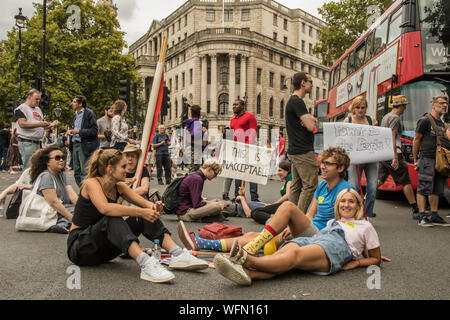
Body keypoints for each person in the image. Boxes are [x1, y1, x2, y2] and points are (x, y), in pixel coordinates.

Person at [66, 149, 208, 283]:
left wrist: (154, 207)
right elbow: (105, 208)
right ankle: (146, 263)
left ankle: (177, 254)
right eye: (123, 166)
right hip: (80, 248)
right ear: (110, 168)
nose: (127, 170)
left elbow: (145, 204)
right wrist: (141, 211)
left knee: (142, 217)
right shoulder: (91, 183)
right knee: (111, 218)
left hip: (104, 251)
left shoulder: (119, 186)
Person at [178, 147, 356, 253]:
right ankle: (203, 243)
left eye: (328, 164)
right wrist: (292, 227)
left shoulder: (347, 191)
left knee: (287, 207)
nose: (322, 167)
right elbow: (309, 215)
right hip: (309, 228)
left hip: (322, 236)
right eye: (322, 163)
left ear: (340, 168)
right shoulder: (322, 186)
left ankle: (252, 248)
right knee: (253, 235)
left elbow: (349, 227)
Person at [213, 188, 384, 285]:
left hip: (337, 245)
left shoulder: (365, 226)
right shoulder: (333, 221)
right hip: (317, 239)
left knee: (293, 256)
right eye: (343, 201)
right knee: (283, 257)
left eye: (351, 201)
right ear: (338, 205)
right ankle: (248, 273)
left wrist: (358, 262)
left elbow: (375, 258)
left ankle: (248, 260)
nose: (346, 205)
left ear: (358, 205)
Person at [378, 95, 419, 218]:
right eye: (404, 106)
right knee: (405, 180)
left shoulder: (386, 116)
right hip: (392, 153)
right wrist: (395, 156)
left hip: (384, 153)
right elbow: (392, 135)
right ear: (400, 106)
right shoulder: (395, 118)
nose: (405, 108)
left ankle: (362, 200)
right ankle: (415, 209)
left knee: (380, 179)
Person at [413, 95, 450, 227]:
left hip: (439, 160)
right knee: (423, 187)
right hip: (426, 158)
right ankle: (422, 216)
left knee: (436, 189)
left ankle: (434, 215)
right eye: (441, 103)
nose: (445, 105)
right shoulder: (425, 120)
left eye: (446, 103)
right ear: (433, 105)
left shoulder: (442, 123)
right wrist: (416, 159)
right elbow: (416, 140)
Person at [285, 72, 318, 213]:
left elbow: (308, 123)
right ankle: (298, 219)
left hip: (295, 150)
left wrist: (309, 119)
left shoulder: (293, 101)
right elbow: (311, 126)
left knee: (296, 186)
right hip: (303, 151)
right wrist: (313, 120)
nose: (312, 84)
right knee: (310, 185)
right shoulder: (297, 101)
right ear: (303, 83)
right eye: (310, 81)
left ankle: (290, 217)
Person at [29, 146, 78, 234]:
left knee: (82, 211)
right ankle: (61, 224)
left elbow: (72, 194)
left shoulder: (61, 174)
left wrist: (82, 207)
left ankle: (65, 223)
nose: (61, 160)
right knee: (75, 213)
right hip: (49, 210)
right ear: (47, 161)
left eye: (63, 157)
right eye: (57, 158)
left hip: (63, 207)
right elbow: (54, 203)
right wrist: (73, 218)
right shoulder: (46, 176)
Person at [344, 96, 378, 218]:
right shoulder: (348, 120)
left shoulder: (371, 120)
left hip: (370, 158)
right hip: (354, 159)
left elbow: (376, 137)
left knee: (372, 187)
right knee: (354, 186)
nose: (360, 110)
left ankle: (366, 214)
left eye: (363, 107)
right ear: (353, 108)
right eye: (357, 107)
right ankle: (353, 212)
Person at [177, 158, 236, 222]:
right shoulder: (197, 179)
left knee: (217, 201)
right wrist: (214, 205)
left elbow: (198, 199)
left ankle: (210, 216)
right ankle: (210, 216)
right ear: (209, 169)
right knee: (217, 207)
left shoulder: (197, 176)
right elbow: (197, 204)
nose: (215, 177)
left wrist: (213, 203)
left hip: (188, 208)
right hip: (186, 213)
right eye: (215, 174)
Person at [15, 89, 55, 170]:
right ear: (29, 97)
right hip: (27, 142)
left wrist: (48, 125)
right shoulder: (21, 108)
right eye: (36, 99)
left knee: (37, 168)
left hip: (37, 142)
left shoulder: (38, 109)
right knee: (29, 168)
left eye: (39, 99)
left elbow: (40, 123)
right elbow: (22, 124)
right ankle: (27, 182)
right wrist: (40, 124)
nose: (38, 101)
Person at [67, 95, 100, 187]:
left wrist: (79, 131)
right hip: (75, 144)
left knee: (84, 171)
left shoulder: (89, 113)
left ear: (80, 104)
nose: (72, 103)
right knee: (76, 171)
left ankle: (86, 192)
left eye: (74, 101)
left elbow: (94, 130)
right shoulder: (76, 115)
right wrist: (71, 132)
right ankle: (83, 190)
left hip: (84, 145)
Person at [230, 99, 259, 202]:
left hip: (248, 149)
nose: (234, 106)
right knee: (238, 173)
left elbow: (253, 131)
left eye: (236, 104)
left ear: (242, 106)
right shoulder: (233, 120)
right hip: (236, 150)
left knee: (251, 173)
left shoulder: (250, 116)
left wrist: (248, 147)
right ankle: (237, 196)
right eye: (233, 104)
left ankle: (254, 197)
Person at [185, 105, 204, 172]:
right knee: (194, 172)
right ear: (199, 113)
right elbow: (194, 136)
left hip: (188, 149)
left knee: (192, 170)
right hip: (195, 149)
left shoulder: (189, 123)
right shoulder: (197, 123)